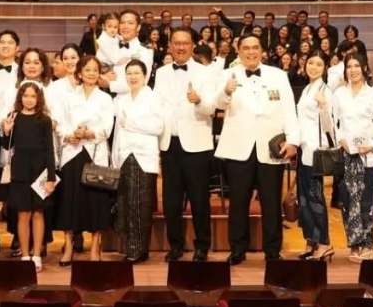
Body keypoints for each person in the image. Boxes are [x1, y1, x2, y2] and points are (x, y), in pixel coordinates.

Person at [214, 35, 299, 264]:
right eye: (246, 48)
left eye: (255, 48)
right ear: (239, 51)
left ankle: (272, 250)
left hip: (271, 147)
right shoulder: (227, 75)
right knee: (238, 201)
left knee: (271, 202)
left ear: (262, 51)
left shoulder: (278, 75)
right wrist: (226, 91)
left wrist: (293, 141)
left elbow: (289, 109)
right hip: (238, 147)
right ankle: (237, 249)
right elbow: (217, 105)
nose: (250, 52)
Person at [155, 28, 216, 262]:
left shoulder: (205, 72)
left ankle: (202, 246)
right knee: (171, 200)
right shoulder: (161, 73)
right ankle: (175, 246)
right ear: (170, 46)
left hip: (196, 145)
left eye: (185, 43)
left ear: (192, 46)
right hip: (169, 143)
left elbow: (212, 108)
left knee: (199, 199)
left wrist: (199, 101)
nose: (181, 47)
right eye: (176, 43)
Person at [54, 55, 115, 264]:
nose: (91, 73)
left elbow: (108, 127)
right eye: (87, 69)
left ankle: (95, 247)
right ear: (79, 73)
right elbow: (60, 123)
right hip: (72, 152)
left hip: (95, 153)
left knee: (96, 201)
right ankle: (69, 245)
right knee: (70, 200)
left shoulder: (105, 99)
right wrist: (68, 135)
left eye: (95, 70)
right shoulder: (69, 98)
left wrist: (90, 133)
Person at [333, 53, 373, 262]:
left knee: (367, 200)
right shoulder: (339, 94)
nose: (353, 70)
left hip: (368, 156)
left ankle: (367, 244)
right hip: (346, 155)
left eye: (356, 66)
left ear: (364, 68)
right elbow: (333, 121)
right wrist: (341, 140)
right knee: (348, 201)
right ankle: (354, 244)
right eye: (349, 66)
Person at [1, 83, 56, 272]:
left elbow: (50, 150)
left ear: (38, 98)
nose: (29, 99)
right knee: (23, 214)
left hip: (40, 171)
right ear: (20, 97)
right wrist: (6, 131)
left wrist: (51, 178)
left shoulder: (44, 120)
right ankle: (25, 255)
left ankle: (37, 255)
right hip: (20, 171)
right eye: (26, 96)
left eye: (33, 96)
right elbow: (7, 147)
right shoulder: (14, 118)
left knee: (38, 213)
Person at [113, 60, 164, 263]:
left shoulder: (153, 97)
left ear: (145, 76)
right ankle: (129, 248)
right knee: (125, 204)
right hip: (124, 155)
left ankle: (139, 250)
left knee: (140, 205)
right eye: (129, 73)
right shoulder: (122, 100)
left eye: (136, 73)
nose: (132, 77)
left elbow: (157, 127)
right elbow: (118, 131)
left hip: (142, 156)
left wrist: (130, 123)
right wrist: (115, 158)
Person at [295, 51, 335, 261]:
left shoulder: (325, 91)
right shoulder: (307, 89)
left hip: (315, 151)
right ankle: (311, 240)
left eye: (319, 64)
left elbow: (329, 124)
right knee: (304, 199)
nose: (313, 67)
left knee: (315, 198)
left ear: (325, 68)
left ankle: (325, 243)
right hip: (303, 149)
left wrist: (324, 106)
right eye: (311, 62)